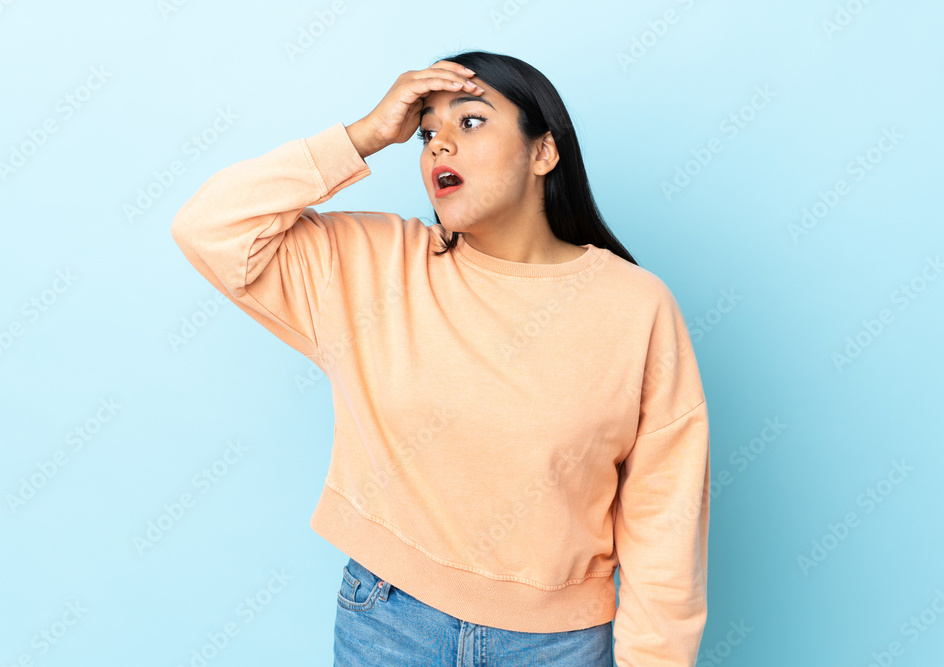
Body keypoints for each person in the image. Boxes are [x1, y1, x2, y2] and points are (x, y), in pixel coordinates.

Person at [171, 49, 710, 667]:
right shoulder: (370, 265)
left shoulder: (634, 308)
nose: (437, 147)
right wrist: (364, 136)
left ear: (544, 152)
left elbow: (665, 521)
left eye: (470, 122)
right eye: (426, 133)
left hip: (558, 645)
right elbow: (208, 226)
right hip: (388, 622)